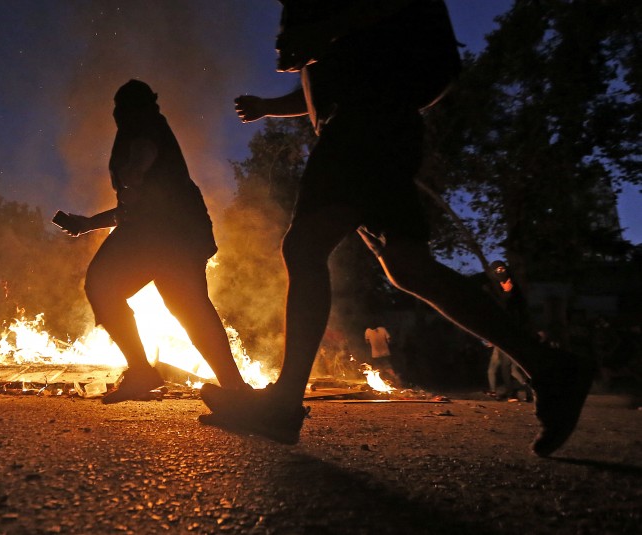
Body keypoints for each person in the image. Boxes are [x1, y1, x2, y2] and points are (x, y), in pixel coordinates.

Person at [199, 0, 595, 456]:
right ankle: (550, 368)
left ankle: (284, 403)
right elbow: (325, 78)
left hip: (363, 124)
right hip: (373, 126)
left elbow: (364, 43)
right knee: (409, 268)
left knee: (306, 246)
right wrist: (272, 105)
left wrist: (319, 33)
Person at [54, 79, 250, 403]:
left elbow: (146, 151)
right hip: (173, 229)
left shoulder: (145, 123)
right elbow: (130, 208)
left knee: (104, 284)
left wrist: (135, 168)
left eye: (123, 107)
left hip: (163, 230)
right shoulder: (140, 128)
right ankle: (235, 388)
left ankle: (146, 372)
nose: (119, 114)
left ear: (137, 106)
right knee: (188, 306)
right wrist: (90, 223)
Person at [484, 261, 532, 401]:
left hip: (513, 331)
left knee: (510, 366)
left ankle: (515, 393)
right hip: (502, 331)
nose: (500, 272)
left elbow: (518, 309)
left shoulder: (514, 289)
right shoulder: (494, 288)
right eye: (497, 270)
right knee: (510, 368)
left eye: (502, 269)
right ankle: (523, 391)